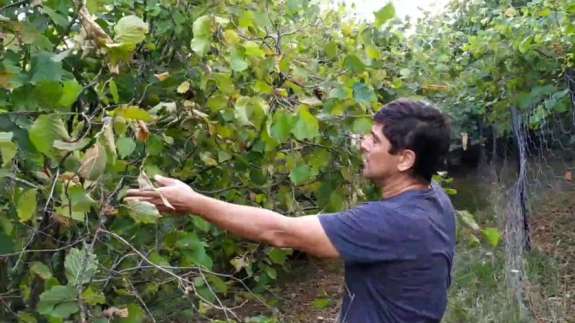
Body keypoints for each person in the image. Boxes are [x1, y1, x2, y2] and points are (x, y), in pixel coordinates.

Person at [126, 98, 456, 323]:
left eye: (374, 139)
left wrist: (193, 201)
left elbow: (280, 232)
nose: (363, 145)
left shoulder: (394, 221)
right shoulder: (434, 201)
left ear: (405, 159)